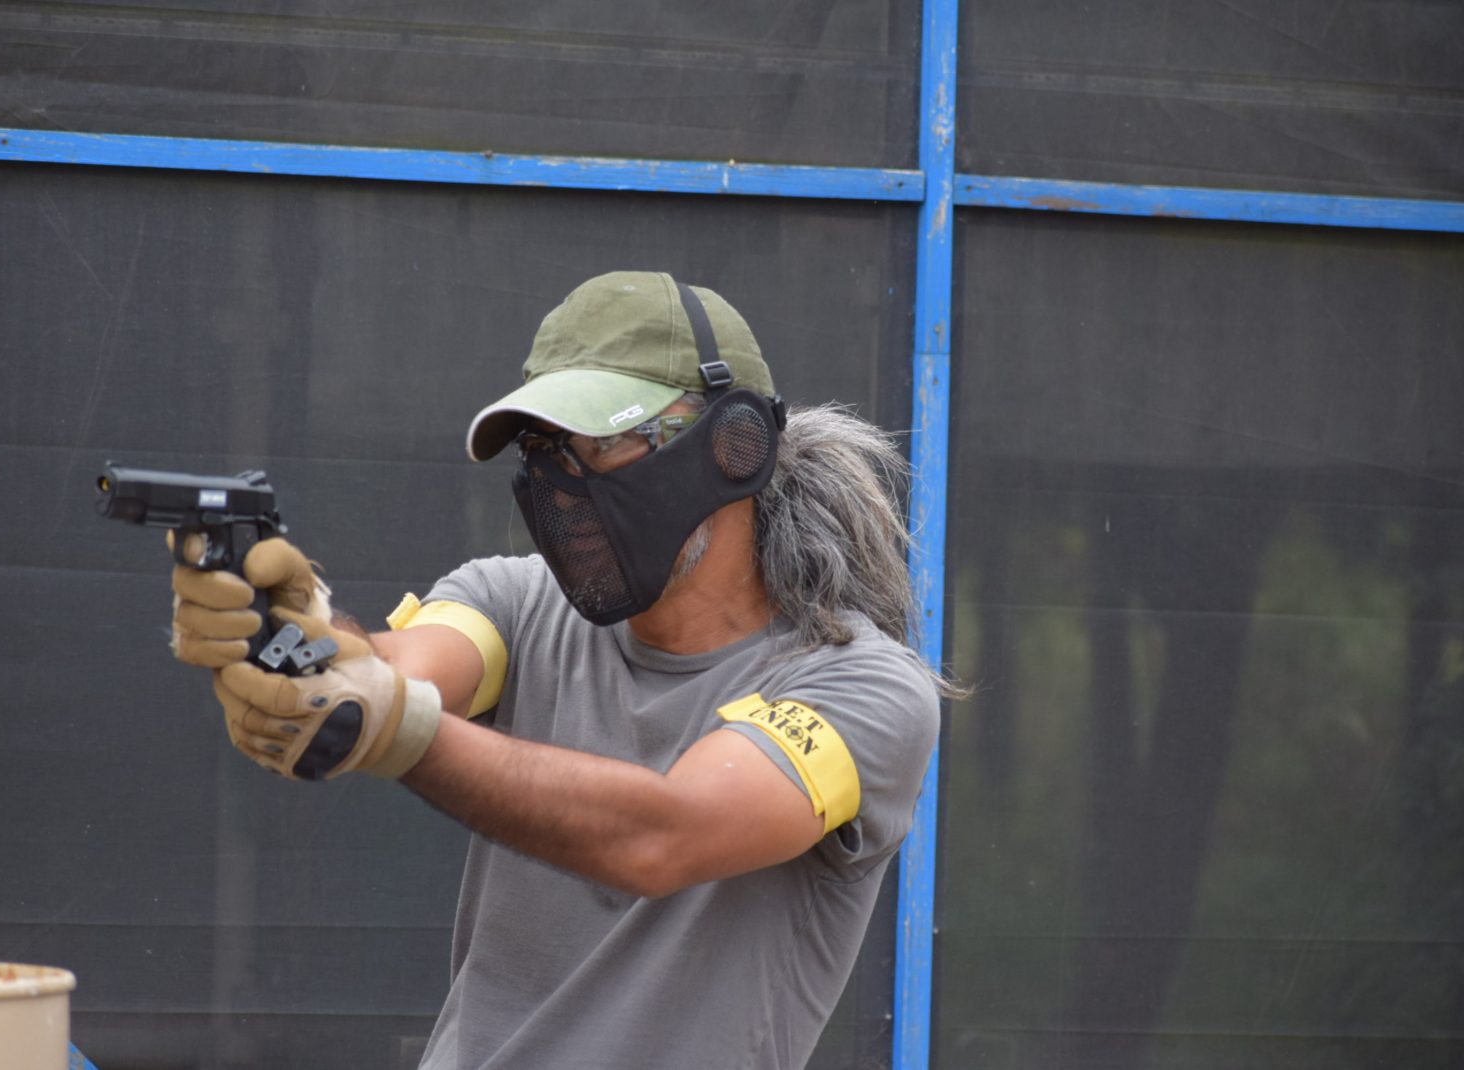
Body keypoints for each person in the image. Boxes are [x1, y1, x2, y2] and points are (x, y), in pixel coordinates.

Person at [168, 271, 952, 1069]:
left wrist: (393, 723)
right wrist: (291, 631)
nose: (562, 483)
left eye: (601, 444)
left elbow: (663, 837)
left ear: (734, 443)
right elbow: (394, 668)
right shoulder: (515, 601)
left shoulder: (863, 690)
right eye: (542, 450)